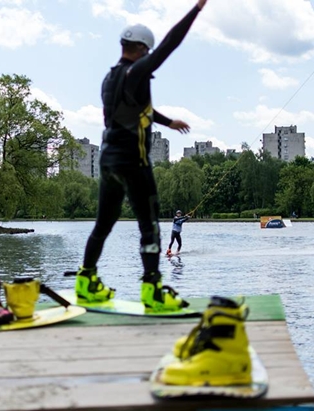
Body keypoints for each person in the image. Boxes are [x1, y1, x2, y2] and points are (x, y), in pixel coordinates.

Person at [72, 0, 209, 312]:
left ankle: (86, 281)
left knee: (102, 225)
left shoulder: (110, 78)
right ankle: (152, 289)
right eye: (148, 53)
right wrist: (197, 9)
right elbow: (169, 46)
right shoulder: (138, 70)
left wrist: (167, 122)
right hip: (134, 162)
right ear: (142, 49)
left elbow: (135, 109)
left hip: (107, 161)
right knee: (150, 226)